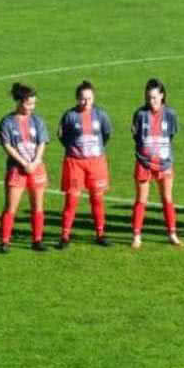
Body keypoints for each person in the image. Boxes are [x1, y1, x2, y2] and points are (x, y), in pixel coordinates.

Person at [57, 80, 113, 247]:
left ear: (94, 98)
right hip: (75, 163)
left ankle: (100, 234)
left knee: (97, 199)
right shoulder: (69, 116)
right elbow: (62, 136)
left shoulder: (101, 115)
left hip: (96, 163)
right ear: (77, 98)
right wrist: (74, 150)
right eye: (82, 98)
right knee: (72, 200)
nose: (86, 102)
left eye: (89, 98)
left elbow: (107, 133)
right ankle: (65, 235)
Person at [0, 82, 50, 253]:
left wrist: (35, 162)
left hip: (37, 168)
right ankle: (4, 241)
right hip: (16, 169)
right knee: (11, 206)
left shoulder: (37, 120)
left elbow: (42, 142)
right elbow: (7, 146)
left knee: (38, 206)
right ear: (18, 102)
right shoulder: (7, 122)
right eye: (28, 103)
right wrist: (24, 163)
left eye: (33, 103)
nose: (31, 107)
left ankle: (37, 240)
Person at [130, 78, 182, 249]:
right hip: (144, 163)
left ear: (162, 95)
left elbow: (171, 135)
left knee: (167, 198)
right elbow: (137, 137)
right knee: (141, 199)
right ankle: (137, 236)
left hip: (164, 163)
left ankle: (172, 234)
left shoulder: (171, 114)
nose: (151, 101)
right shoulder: (140, 114)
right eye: (148, 98)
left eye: (154, 97)